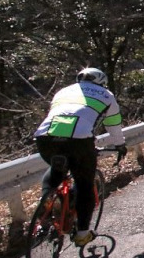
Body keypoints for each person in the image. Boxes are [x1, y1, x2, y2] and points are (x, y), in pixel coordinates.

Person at [34, 67, 125, 247]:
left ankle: (46, 201)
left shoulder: (63, 92)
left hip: (46, 137)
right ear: (101, 81)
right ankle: (82, 233)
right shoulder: (106, 95)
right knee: (84, 185)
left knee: (56, 170)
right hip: (79, 139)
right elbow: (113, 124)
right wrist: (120, 144)